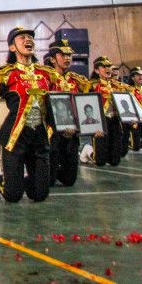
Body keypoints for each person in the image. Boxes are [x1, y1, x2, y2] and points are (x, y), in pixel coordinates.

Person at [0, 27, 57, 203]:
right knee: (13, 196)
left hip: (39, 136)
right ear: (12, 47)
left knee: (39, 195)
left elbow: (59, 104)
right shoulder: (5, 74)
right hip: (14, 138)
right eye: (22, 38)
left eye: (30, 37)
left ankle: (17, 181)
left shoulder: (47, 74)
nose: (28, 40)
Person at [46, 39, 89, 187]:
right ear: (52, 59)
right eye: (62, 55)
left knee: (69, 180)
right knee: (48, 181)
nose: (67, 58)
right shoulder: (45, 79)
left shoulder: (78, 81)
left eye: (69, 55)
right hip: (52, 133)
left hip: (72, 133)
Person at [80, 56, 123, 167]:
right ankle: (87, 150)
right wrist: (93, 127)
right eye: (104, 66)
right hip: (100, 121)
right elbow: (86, 104)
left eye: (109, 66)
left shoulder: (116, 86)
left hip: (114, 121)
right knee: (100, 161)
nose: (108, 68)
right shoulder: (92, 85)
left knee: (114, 161)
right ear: (97, 70)